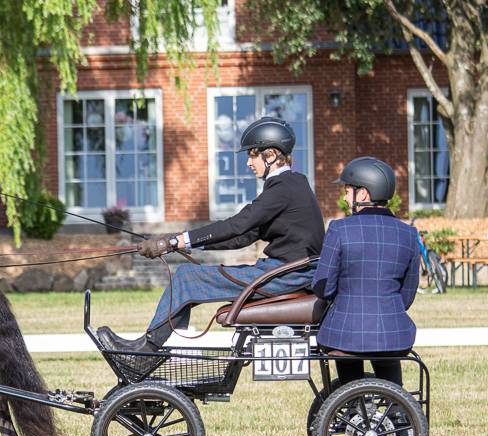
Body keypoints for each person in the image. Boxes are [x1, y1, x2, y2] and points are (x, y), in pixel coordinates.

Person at [98, 116, 325, 356]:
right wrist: (184, 244)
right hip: (289, 273)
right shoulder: (292, 185)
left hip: (287, 275)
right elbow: (244, 237)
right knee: (188, 276)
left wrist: (177, 240)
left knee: (187, 277)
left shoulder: (283, 187)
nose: (248, 162)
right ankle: (147, 347)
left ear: (270, 155)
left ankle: (145, 352)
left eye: (252, 154)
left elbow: (237, 224)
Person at [312, 157, 419, 386]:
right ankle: (396, 402)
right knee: (389, 362)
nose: (344, 197)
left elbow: (323, 287)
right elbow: (407, 296)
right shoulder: (409, 234)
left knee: (348, 361)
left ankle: (352, 401)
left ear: (362, 194)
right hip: (392, 331)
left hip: (345, 332)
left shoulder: (339, 229)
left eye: (347, 191)